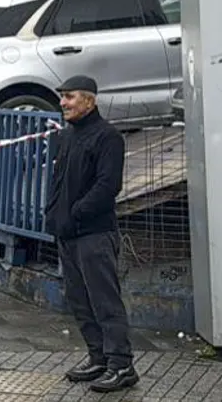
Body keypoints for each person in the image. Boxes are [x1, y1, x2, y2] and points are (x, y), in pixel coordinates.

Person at [46, 75, 136, 393]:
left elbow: (108, 187)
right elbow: (59, 182)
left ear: (89, 101)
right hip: (68, 234)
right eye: (62, 98)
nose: (63, 103)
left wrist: (75, 213)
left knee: (104, 301)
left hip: (94, 234)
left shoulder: (108, 137)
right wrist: (54, 216)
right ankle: (98, 356)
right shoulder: (67, 136)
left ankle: (121, 364)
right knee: (79, 300)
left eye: (69, 97)